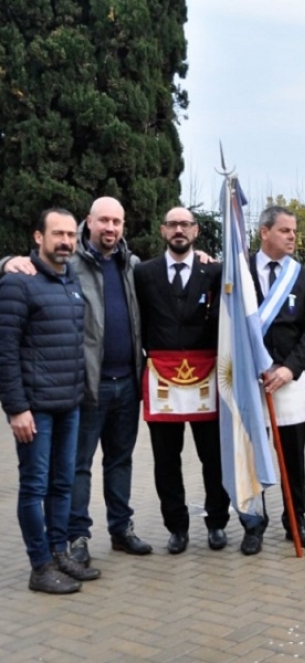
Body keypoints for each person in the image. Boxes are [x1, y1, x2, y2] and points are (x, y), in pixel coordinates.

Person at [3, 197, 153, 565]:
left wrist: (204, 257)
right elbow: (28, 270)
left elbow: (169, 271)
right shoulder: (70, 262)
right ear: (90, 222)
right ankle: (77, 536)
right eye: (104, 220)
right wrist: (5, 261)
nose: (110, 228)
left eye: (117, 221)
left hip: (127, 383)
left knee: (120, 461)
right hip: (86, 385)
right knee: (77, 467)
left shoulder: (131, 265)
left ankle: (121, 528)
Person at [0, 209, 99, 593]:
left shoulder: (69, 278)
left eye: (71, 235)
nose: (66, 241)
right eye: (58, 233)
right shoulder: (17, 282)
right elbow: (6, 352)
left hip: (68, 404)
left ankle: (59, 553)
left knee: (62, 483)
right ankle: (40, 566)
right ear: (38, 237)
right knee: (34, 486)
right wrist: (16, 409)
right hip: (35, 409)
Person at [134, 207, 230, 554]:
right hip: (162, 376)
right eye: (173, 224)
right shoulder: (143, 273)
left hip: (207, 375)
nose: (179, 230)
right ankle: (176, 527)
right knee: (166, 460)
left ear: (196, 230)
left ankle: (217, 523)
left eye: (185, 224)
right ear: (163, 230)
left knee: (213, 458)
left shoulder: (215, 271)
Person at [243, 205, 305, 554]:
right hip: (250, 379)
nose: (292, 237)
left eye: (294, 231)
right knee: (251, 456)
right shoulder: (239, 271)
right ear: (264, 232)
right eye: (285, 230)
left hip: (289, 379)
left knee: (292, 456)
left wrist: (289, 368)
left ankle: (296, 519)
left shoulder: (303, 278)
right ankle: (253, 523)